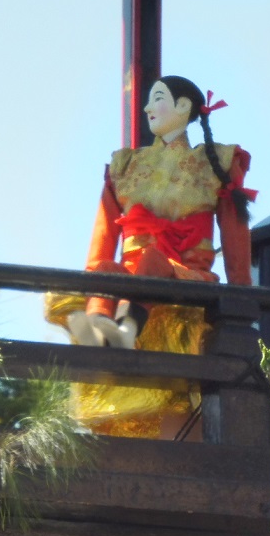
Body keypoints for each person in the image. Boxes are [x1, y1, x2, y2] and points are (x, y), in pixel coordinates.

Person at [47, 76, 254, 438]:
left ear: (184, 108)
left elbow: (236, 241)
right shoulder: (125, 166)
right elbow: (102, 242)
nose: (146, 108)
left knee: (154, 261)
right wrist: (92, 279)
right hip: (130, 278)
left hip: (187, 278)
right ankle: (100, 327)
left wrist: (243, 302)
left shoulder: (216, 162)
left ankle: (125, 329)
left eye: (157, 98)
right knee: (108, 269)